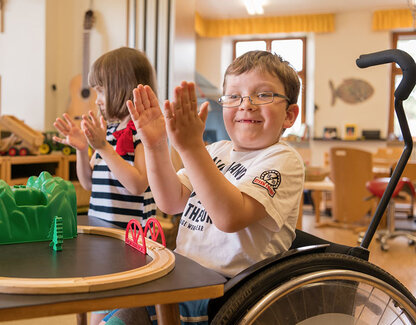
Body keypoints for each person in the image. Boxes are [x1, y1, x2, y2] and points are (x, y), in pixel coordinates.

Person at [103, 50, 305, 324]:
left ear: (290, 115)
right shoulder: (217, 151)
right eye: (234, 96)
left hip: (226, 293)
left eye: (264, 94)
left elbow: (230, 217)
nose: (246, 104)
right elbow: (171, 201)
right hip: (184, 276)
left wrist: (191, 148)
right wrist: (156, 145)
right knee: (109, 310)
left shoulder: (283, 159)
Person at [52, 47, 158, 325]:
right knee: (99, 298)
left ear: (122, 89)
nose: (97, 100)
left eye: (101, 91)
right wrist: (81, 149)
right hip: (104, 235)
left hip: (131, 240)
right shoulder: (108, 132)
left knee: (117, 304)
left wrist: (104, 148)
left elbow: (137, 185)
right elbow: (88, 183)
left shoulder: (144, 133)